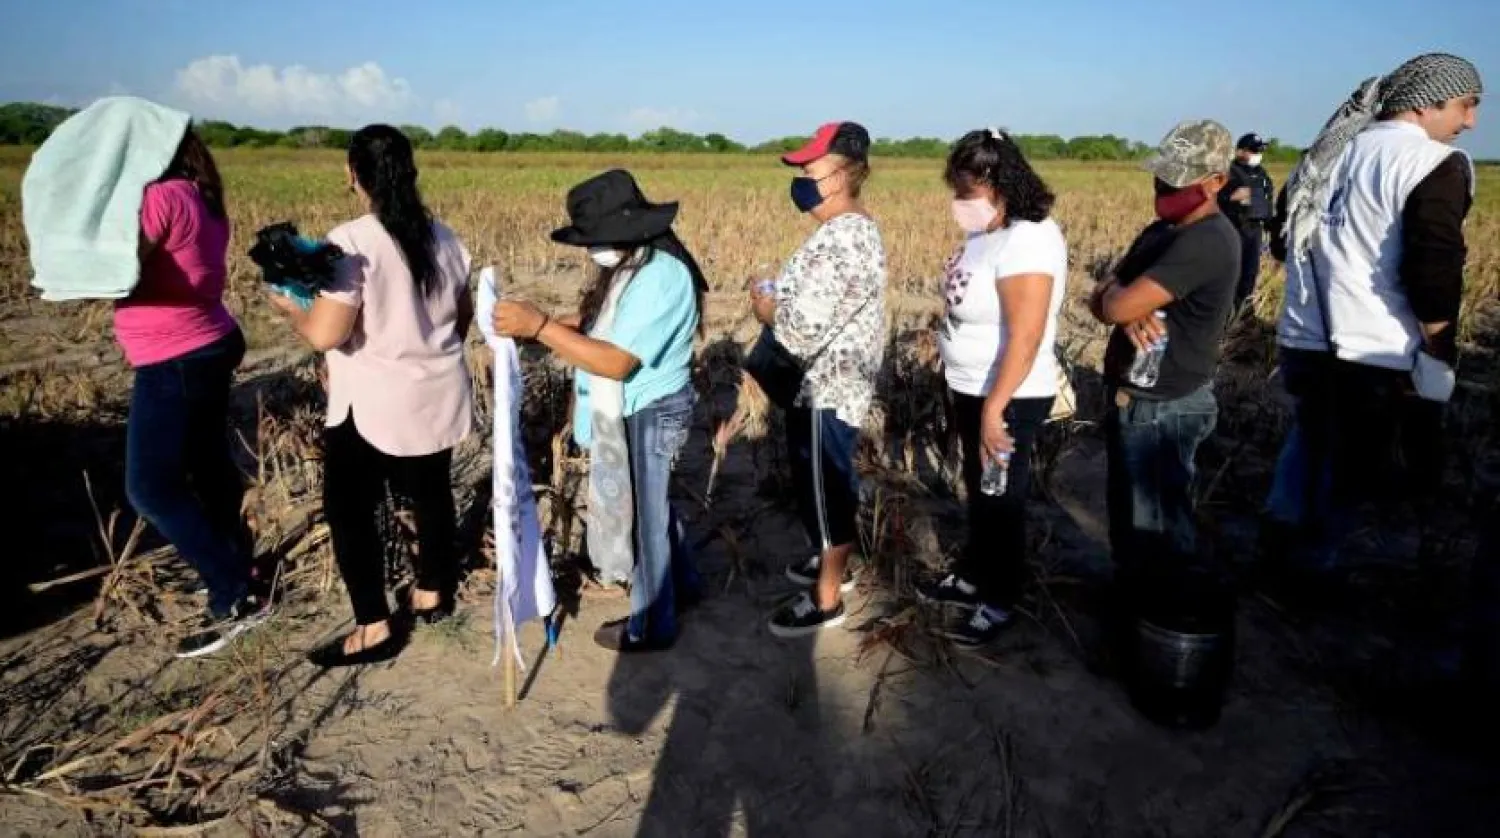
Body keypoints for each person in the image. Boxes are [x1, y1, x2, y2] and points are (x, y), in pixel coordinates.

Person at [1265, 53, 1483, 572]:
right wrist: (1439, 348)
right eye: (1466, 106)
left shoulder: (1325, 153)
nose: (1470, 122)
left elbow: (1280, 241)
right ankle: (1310, 576)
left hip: (1303, 340)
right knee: (1349, 472)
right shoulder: (1432, 162)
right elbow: (1433, 268)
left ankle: (1274, 556)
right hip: (1374, 353)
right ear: (1427, 106)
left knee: (1308, 444)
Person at [269, 125, 475, 667]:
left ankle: (373, 628)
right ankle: (432, 592)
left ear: (352, 174)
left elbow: (326, 334)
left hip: (373, 401)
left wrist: (291, 307)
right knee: (431, 492)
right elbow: (462, 321)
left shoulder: (353, 241)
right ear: (410, 172)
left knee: (350, 509)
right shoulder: (447, 237)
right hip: (438, 391)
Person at [492, 169, 706, 653]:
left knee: (644, 520)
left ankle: (653, 624)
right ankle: (686, 587)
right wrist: (536, 329)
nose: (593, 250)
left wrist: (543, 326)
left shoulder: (660, 276)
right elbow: (598, 325)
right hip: (639, 405)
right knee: (654, 509)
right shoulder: (636, 262)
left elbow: (613, 358)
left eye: (597, 238)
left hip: (651, 409)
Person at [914, 128, 1068, 648]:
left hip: (1010, 394)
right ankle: (975, 574)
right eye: (955, 191)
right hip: (971, 385)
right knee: (981, 490)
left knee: (1002, 497)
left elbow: (1026, 337)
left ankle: (1000, 598)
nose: (959, 203)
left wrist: (995, 409)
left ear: (999, 183)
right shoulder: (989, 233)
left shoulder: (1030, 238)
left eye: (967, 192)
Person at [121, 129, 267, 658]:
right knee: (207, 467)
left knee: (150, 487)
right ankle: (233, 562)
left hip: (174, 354)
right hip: (209, 340)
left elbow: (121, 269)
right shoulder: (199, 192)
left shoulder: (160, 198)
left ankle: (235, 591)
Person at [1088, 119, 1239, 593]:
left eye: (1179, 180)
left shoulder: (1206, 241)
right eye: (1162, 177)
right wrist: (1120, 301)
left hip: (1165, 408)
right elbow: (1104, 301)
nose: (1165, 188)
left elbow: (1114, 304)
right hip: (1138, 400)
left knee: (1157, 529)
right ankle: (1136, 608)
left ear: (1216, 181)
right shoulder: (1162, 231)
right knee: (1132, 522)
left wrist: (1122, 301)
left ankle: (1162, 624)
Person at [753, 122, 887, 638]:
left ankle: (827, 601)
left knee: (827, 491)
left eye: (811, 170)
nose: (803, 180)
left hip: (827, 391)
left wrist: (765, 305)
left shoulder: (845, 239)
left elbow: (801, 329)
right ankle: (831, 565)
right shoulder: (843, 233)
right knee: (825, 487)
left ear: (840, 176)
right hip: (829, 388)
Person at [1218, 133, 1275, 311]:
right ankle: (1225, 313)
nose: (1258, 154)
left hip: (1254, 230)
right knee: (1230, 274)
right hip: (1233, 229)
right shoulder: (1228, 172)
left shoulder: (1261, 174)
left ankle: (1244, 312)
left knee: (1249, 274)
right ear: (1240, 151)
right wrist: (1233, 197)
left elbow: (1266, 201)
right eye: (1253, 151)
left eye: (1259, 151)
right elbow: (1216, 199)